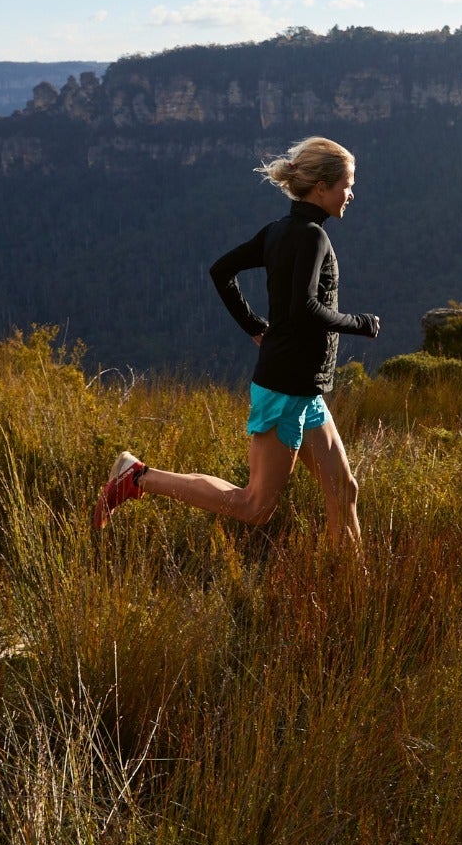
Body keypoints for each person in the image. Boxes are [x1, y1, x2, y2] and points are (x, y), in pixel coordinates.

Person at [92, 135, 380, 546]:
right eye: (346, 185)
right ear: (321, 187)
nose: (351, 194)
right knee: (254, 506)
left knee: (344, 490)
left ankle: (352, 579)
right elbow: (304, 309)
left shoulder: (279, 231)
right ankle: (137, 477)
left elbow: (221, 271)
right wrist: (360, 323)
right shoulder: (312, 237)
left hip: (305, 389)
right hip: (285, 388)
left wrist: (253, 325)